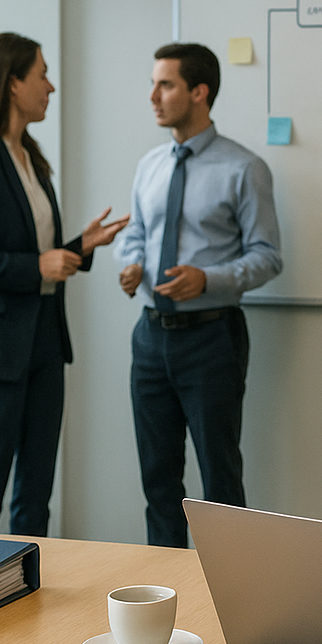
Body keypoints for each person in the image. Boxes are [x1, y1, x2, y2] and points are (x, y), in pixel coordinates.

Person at [0, 32, 127, 535]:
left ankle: (27, 595)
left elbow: (32, 251)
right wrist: (36, 267)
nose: (51, 86)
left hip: (43, 340)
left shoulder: (29, 156)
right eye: (42, 73)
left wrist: (79, 247)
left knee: (36, 492)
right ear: (12, 82)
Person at [116, 43, 281, 547]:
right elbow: (136, 233)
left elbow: (268, 256)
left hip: (212, 339)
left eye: (164, 84)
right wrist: (130, 264)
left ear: (199, 92)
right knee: (157, 480)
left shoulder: (244, 167)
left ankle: (229, 598)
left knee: (220, 484)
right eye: (153, 83)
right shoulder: (150, 164)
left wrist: (206, 279)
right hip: (149, 337)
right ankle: (163, 595)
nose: (153, 96)